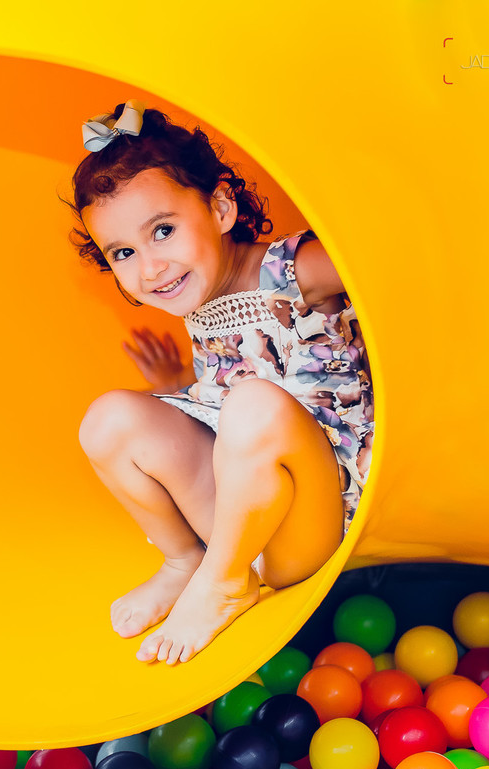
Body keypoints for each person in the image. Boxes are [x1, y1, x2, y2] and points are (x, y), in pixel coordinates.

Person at [70, 100, 374, 666]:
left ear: (221, 207)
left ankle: (227, 581)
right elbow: (230, 391)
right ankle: (187, 561)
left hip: (317, 518)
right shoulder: (200, 293)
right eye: (124, 253)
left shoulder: (293, 270)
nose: (151, 267)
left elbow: (381, 263)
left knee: (253, 403)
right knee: (110, 418)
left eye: (163, 230)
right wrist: (179, 385)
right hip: (236, 518)